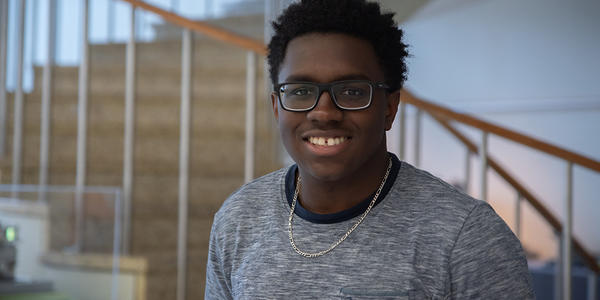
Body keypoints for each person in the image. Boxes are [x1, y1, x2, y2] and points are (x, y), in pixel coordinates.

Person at [205, 0, 534, 298]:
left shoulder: (467, 236)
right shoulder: (239, 219)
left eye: (351, 91)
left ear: (390, 107)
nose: (323, 112)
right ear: (278, 108)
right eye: (301, 90)